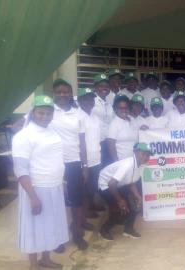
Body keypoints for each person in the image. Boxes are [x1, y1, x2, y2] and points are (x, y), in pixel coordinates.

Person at [12, 95, 68, 270]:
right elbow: (21, 170)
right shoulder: (23, 136)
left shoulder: (52, 131)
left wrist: (62, 181)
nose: (45, 117)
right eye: (40, 113)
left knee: (50, 225)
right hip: (36, 189)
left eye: (48, 113)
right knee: (34, 227)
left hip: (55, 185)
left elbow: (56, 157)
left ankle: (46, 258)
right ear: (32, 112)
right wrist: (32, 197)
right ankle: (33, 265)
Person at [49, 79, 90, 250]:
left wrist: (85, 165)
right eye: (59, 92)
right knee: (56, 202)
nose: (62, 95)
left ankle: (77, 233)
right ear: (54, 93)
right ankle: (57, 238)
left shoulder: (78, 113)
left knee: (77, 201)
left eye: (65, 91)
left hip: (74, 162)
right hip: (52, 163)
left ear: (70, 93)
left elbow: (82, 141)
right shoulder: (48, 111)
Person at [98, 143, 151, 241]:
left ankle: (128, 229)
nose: (145, 157)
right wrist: (120, 201)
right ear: (135, 152)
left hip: (118, 185)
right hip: (105, 185)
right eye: (143, 154)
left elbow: (132, 183)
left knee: (135, 203)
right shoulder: (127, 165)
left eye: (148, 155)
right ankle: (103, 230)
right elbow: (111, 184)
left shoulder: (141, 166)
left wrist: (139, 198)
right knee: (118, 209)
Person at [77, 88, 105, 219]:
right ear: (80, 100)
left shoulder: (95, 117)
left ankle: (92, 205)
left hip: (96, 158)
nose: (89, 101)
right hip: (84, 160)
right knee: (84, 189)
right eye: (85, 98)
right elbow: (79, 142)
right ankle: (84, 213)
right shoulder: (77, 117)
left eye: (91, 98)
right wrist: (84, 164)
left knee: (93, 186)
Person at [92, 73, 114, 167]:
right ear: (95, 87)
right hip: (95, 142)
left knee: (106, 168)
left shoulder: (109, 105)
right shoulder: (90, 100)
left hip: (107, 143)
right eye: (101, 86)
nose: (104, 88)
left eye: (106, 86)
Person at [107, 95, 138, 161]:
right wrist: (117, 163)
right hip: (121, 162)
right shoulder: (114, 124)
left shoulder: (132, 120)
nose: (124, 110)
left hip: (134, 160)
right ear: (115, 109)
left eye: (126, 108)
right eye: (120, 108)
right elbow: (111, 147)